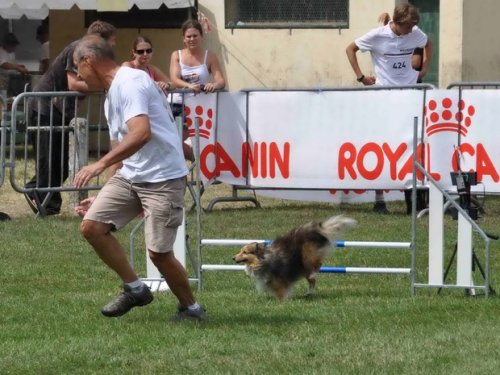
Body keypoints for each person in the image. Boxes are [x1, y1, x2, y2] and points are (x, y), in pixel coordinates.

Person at [72, 34, 206, 322]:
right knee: (92, 226)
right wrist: (107, 192)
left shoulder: (131, 83)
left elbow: (141, 133)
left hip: (163, 178)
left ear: (88, 61)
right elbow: (120, 149)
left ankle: (191, 309)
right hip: (132, 175)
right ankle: (135, 289)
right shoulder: (111, 97)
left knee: (158, 254)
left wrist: (99, 165)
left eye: (77, 69)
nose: (77, 77)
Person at [24, 21, 117, 216]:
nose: (113, 47)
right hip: (44, 109)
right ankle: (46, 206)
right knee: (49, 163)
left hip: (58, 112)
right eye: (111, 43)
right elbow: (73, 83)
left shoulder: (86, 52)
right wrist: (106, 85)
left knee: (61, 166)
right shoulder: (78, 50)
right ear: (99, 42)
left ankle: (36, 191)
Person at [346, 3, 431, 214]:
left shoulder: (414, 33)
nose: (412, 30)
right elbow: (350, 49)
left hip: (409, 95)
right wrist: (361, 77)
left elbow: (428, 43)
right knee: (382, 146)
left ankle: (414, 199)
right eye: (409, 26)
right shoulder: (377, 36)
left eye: (413, 26)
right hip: (383, 97)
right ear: (400, 22)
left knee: (411, 146)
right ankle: (380, 199)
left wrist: (423, 70)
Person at [169, 19, 225, 117]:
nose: (192, 39)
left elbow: (221, 81)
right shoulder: (176, 55)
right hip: (176, 104)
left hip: (198, 105)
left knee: (195, 132)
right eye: (188, 36)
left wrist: (213, 85)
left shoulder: (211, 56)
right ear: (183, 38)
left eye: (195, 36)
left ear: (201, 36)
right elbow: (174, 79)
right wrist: (190, 86)